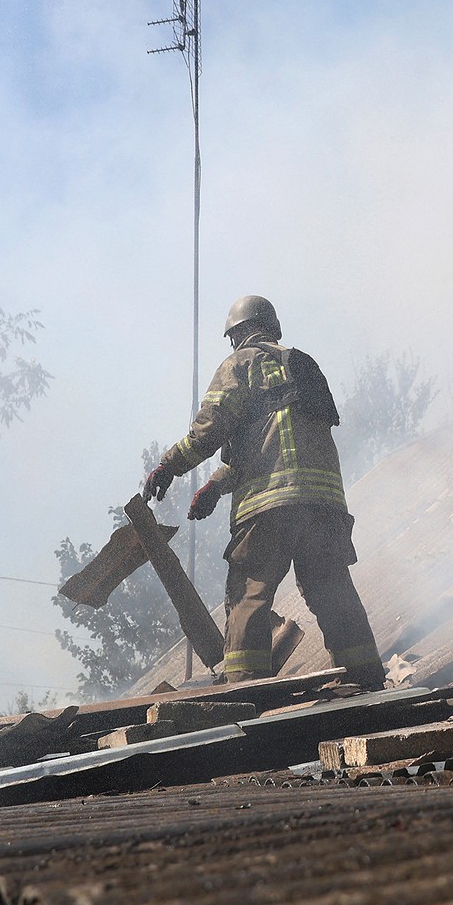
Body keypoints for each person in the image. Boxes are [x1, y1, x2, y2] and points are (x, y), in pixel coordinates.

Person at [143, 295, 385, 689]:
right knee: (333, 591)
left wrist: (168, 466)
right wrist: (216, 486)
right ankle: (367, 679)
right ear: (272, 327)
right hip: (324, 505)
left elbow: (209, 431)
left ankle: (246, 689)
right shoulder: (304, 366)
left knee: (248, 597)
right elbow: (275, 442)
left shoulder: (239, 365)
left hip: (268, 507)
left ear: (238, 332)